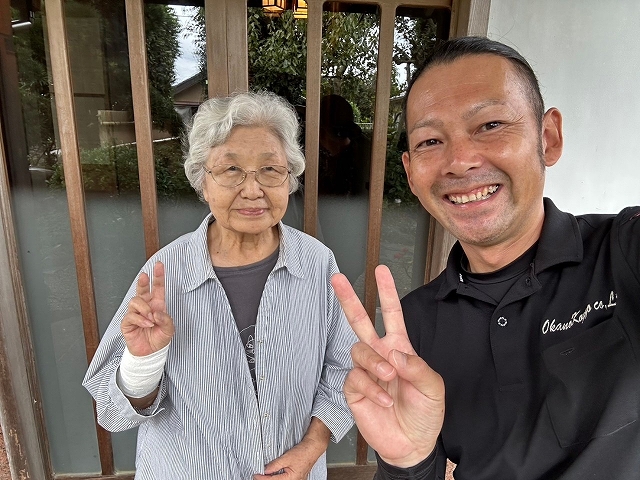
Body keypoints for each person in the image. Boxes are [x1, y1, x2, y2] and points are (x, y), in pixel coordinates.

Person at [331, 36, 640, 480]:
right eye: (431, 140)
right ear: (412, 177)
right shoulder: (415, 325)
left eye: (490, 125)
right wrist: (408, 461)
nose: (459, 161)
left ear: (548, 138)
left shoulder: (622, 252)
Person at [83, 91, 357, 479]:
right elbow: (112, 410)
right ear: (203, 182)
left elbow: (345, 366)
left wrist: (312, 447)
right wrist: (142, 362)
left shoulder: (316, 263)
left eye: (269, 169)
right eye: (230, 170)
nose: (252, 189)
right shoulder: (165, 272)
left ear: (290, 178)